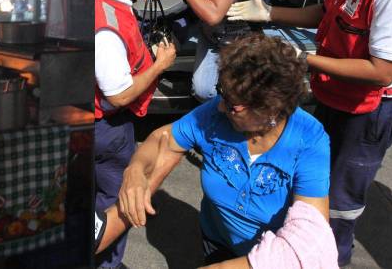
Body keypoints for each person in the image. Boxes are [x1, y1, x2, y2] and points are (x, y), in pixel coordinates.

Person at [226, 0, 392, 267]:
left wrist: (305, 59)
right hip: (336, 94)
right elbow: (328, 12)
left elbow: (382, 71)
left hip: (367, 111)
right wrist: (268, 14)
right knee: (312, 184)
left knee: (337, 206)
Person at [118, 34, 334, 267]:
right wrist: (136, 168)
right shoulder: (215, 114)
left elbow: (308, 241)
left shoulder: (310, 140)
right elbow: (165, 138)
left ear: (270, 107)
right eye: (222, 92)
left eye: (232, 105)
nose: (221, 106)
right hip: (217, 243)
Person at [95, 0, 177, 269]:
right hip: (107, 129)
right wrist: (160, 65)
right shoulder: (104, 28)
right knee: (116, 202)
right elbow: (120, 96)